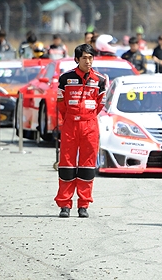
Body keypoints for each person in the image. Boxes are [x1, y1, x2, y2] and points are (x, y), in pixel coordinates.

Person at [55, 44, 107, 218]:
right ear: (77, 59)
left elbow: (100, 104)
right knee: (66, 165)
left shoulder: (100, 80)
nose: (88, 61)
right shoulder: (65, 78)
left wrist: (87, 117)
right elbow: (61, 104)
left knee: (87, 166)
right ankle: (65, 205)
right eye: (84, 58)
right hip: (70, 125)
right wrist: (70, 117)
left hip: (90, 126)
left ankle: (83, 204)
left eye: (91, 57)